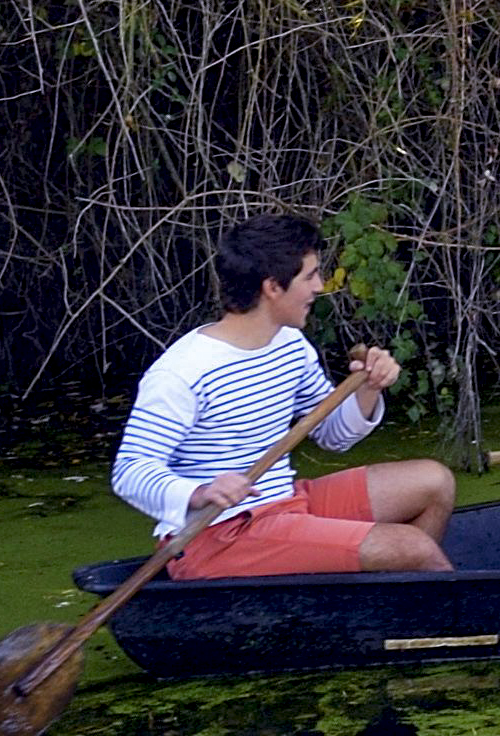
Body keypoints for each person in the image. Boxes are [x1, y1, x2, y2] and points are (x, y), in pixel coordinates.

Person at [111, 214, 462, 578]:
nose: (320, 286)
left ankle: (394, 606)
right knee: (413, 547)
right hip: (221, 535)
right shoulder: (182, 372)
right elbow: (130, 471)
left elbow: (333, 436)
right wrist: (200, 491)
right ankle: (451, 616)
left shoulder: (289, 345)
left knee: (434, 482)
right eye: (309, 276)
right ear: (272, 287)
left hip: (287, 503)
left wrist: (369, 389)